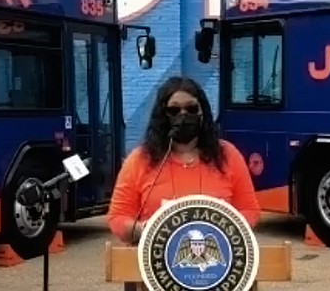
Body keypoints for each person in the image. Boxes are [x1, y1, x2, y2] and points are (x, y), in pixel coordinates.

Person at [107, 76, 261, 244]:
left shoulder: (228, 156)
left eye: (192, 109)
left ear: (203, 112)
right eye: (174, 111)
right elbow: (118, 218)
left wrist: (224, 230)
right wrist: (145, 230)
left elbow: (249, 211)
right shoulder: (139, 160)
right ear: (162, 116)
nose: (183, 116)